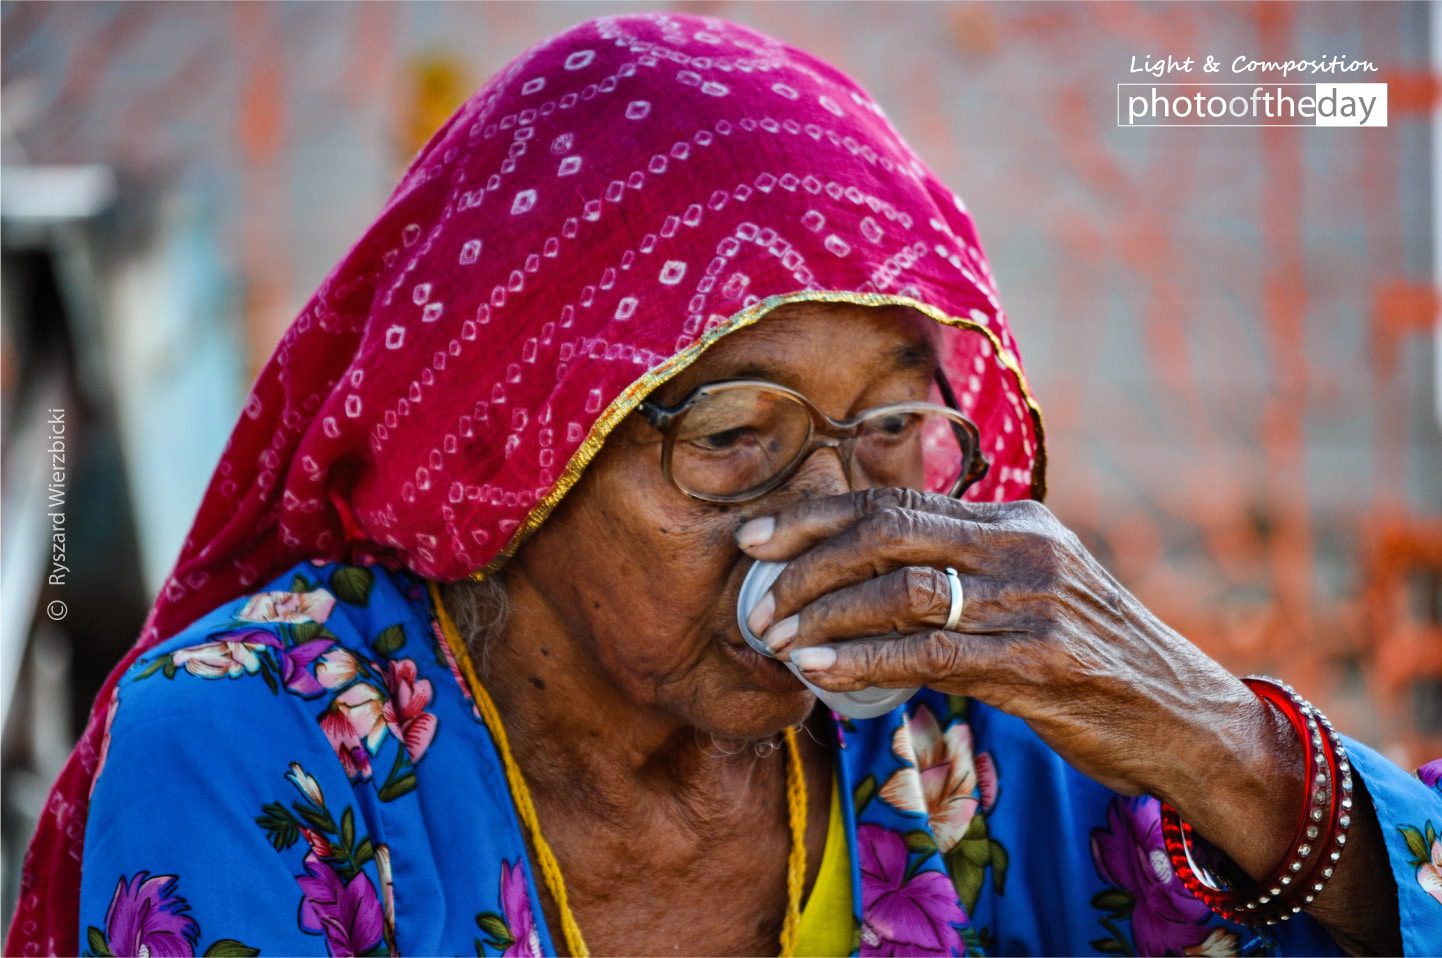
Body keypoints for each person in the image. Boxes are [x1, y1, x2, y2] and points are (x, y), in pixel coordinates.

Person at [8, 13, 1440, 957]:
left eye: (889, 431)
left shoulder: (960, 734)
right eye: (733, 439)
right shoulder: (266, 741)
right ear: (514, 449)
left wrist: (1204, 731)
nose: (832, 516)